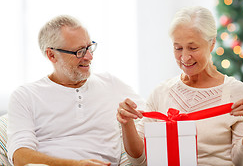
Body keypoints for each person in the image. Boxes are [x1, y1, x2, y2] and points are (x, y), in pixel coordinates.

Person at [117, 6, 243, 166]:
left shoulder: (236, 92)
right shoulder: (160, 93)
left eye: (193, 48)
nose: (184, 57)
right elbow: (140, 161)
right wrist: (126, 124)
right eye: (178, 48)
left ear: (212, 43)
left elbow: (242, 162)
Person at [7, 15, 144, 166]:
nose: (89, 57)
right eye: (80, 51)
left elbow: (154, 119)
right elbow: (20, 156)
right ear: (51, 55)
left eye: (89, 47)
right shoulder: (25, 96)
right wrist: (76, 165)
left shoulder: (111, 84)